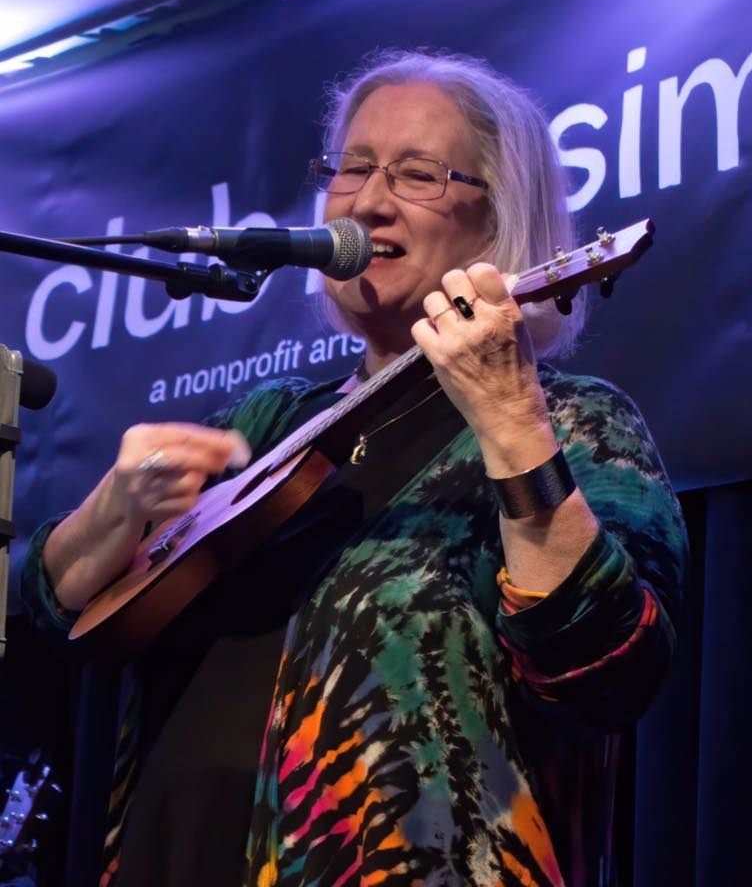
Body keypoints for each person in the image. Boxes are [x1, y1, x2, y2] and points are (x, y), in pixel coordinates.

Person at [20, 49, 688, 887]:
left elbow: (607, 673)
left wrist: (511, 418)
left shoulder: (574, 420)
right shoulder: (262, 425)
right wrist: (108, 513)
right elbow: (42, 629)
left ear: (498, 221)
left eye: (416, 174)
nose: (368, 201)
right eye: (353, 168)